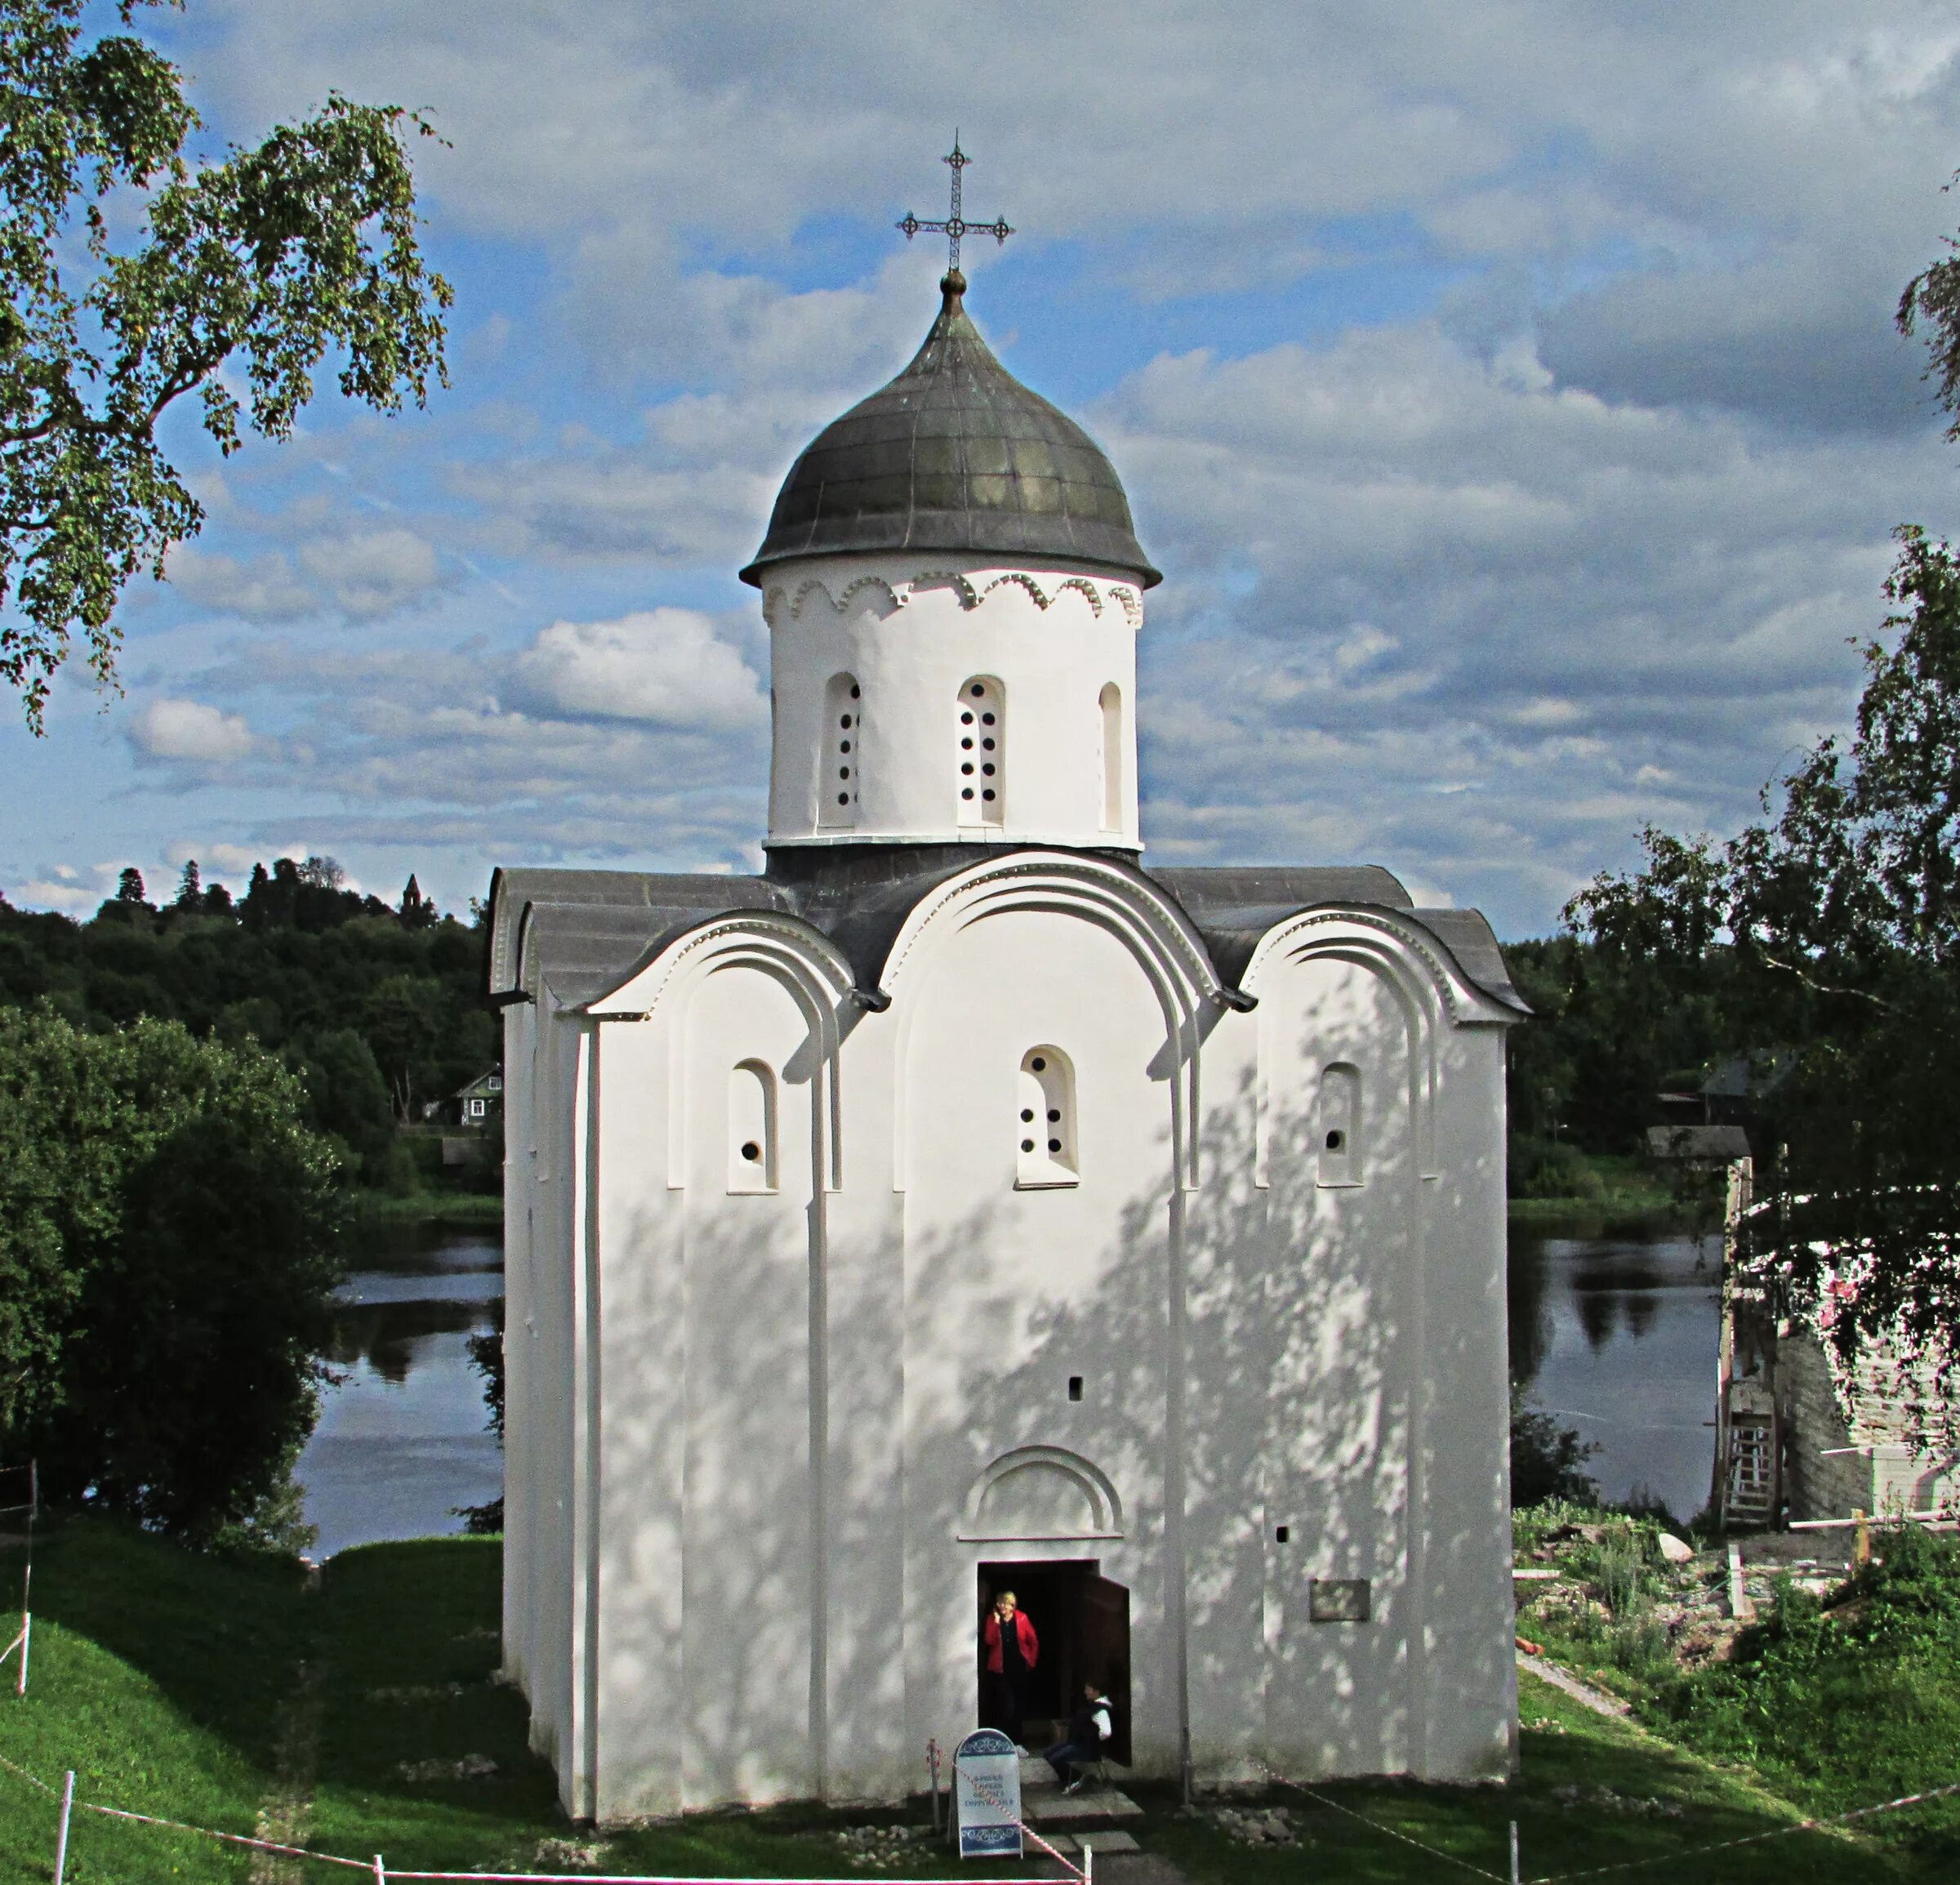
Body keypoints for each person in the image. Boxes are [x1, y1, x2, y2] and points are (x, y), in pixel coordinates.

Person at [980, 1589, 1038, 1749]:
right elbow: (989, 1640)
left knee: (1018, 1706)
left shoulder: (1022, 1618)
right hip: (999, 1671)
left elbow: (1033, 1641)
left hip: (1018, 1669)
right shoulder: (992, 1619)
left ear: (1012, 1605)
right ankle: (1004, 1742)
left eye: (1005, 1603)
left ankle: (1018, 1743)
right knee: (1006, 1706)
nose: (1001, 1606)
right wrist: (997, 1622)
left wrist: (1031, 1661)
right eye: (999, 1603)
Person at [1043, 1682, 1113, 1794]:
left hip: (1087, 1748)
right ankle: (1070, 1779)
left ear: (1097, 1692)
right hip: (1076, 1743)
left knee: (1055, 1758)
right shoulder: (1090, 1705)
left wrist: (1093, 1739)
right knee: (1047, 1753)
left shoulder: (1100, 1710)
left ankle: (1076, 1778)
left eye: (1088, 1689)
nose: (1086, 1692)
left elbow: (1106, 1732)